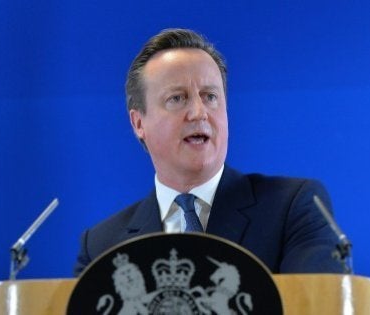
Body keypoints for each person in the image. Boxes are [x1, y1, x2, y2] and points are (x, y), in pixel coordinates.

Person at [74, 28, 344, 275]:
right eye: (177, 98)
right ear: (138, 123)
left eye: (210, 96)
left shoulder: (293, 208)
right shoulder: (101, 247)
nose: (199, 112)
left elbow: (316, 303)